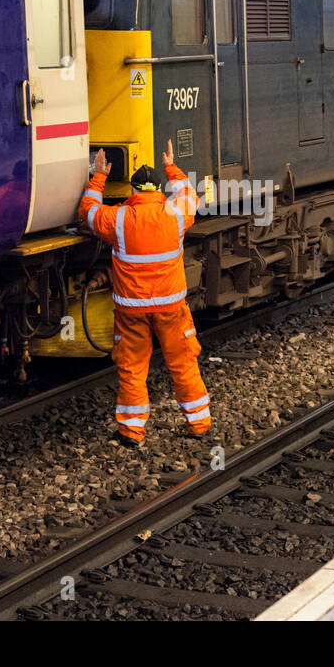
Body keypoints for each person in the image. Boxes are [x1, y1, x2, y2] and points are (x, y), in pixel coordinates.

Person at [78, 140, 212, 446]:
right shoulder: (177, 214)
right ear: (157, 190)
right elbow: (187, 193)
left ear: (134, 190)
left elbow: (87, 212)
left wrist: (98, 175)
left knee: (132, 367)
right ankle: (199, 424)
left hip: (132, 311)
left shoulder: (119, 218)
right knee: (183, 362)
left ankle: (131, 433)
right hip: (172, 309)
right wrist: (171, 166)